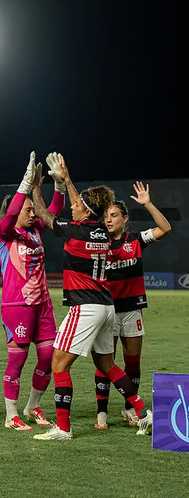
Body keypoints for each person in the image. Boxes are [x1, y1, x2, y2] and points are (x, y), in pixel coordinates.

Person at [30, 156, 153, 439]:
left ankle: (63, 427)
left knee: (58, 363)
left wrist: (36, 187)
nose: (74, 206)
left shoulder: (73, 230)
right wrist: (68, 181)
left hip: (85, 306)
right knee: (106, 364)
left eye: (77, 205)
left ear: (85, 211)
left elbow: (42, 214)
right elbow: (82, 206)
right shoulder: (103, 233)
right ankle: (143, 413)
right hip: (107, 305)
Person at [0, 152, 64, 431]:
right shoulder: (3, 233)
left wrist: (58, 183)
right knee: (18, 359)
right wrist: (25, 182)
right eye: (27, 209)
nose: (32, 212)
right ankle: (11, 415)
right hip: (17, 305)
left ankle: (32, 405)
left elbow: (53, 212)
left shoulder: (35, 230)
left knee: (49, 357)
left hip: (43, 304)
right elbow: (11, 213)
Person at [93, 181, 171, 430]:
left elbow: (165, 228)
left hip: (132, 311)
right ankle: (101, 412)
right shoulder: (98, 242)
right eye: (106, 216)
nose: (109, 220)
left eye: (114, 215)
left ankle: (129, 407)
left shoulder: (136, 240)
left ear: (125, 218)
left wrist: (147, 204)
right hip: (107, 311)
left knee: (133, 363)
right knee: (106, 361)